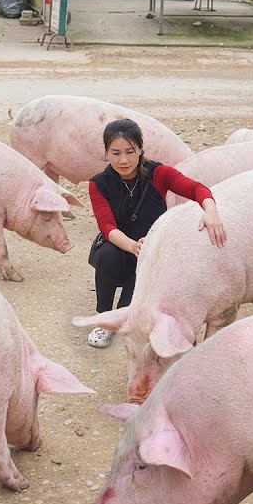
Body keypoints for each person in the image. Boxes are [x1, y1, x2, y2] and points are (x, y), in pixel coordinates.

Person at [85, 119, 226, 348]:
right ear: (106, 154)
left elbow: (196, 188)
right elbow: (107, 226)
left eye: (130, 152)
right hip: (122, 247)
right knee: (108, 254)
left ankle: (127, 312)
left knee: (133, 307)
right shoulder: (99, 184)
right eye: (116, 152)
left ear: (140, 149)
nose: (123, 160)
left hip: (154, 250)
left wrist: (211, 211)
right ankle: (103, 318)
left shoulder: (158, 173)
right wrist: (133, 246)